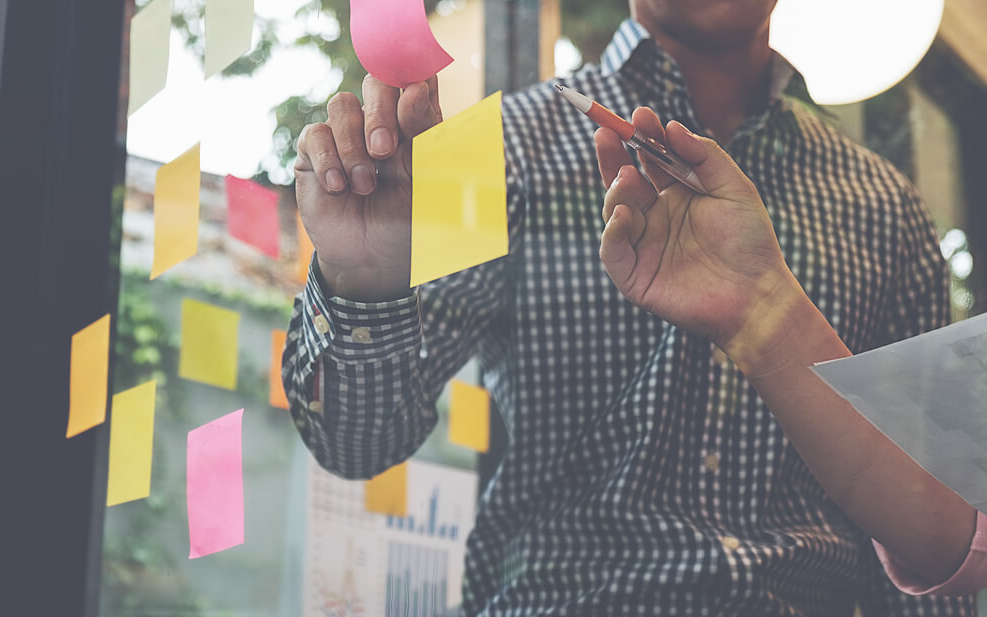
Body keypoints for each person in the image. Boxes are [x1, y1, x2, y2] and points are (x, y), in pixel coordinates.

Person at [283, 0, 978, 613]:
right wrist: (363, 287)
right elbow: (355, 441)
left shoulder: (885, 207)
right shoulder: (499, 147)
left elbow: (930, 539)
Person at [594, 110, 987, 597]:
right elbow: (961, 536)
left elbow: (956, 539)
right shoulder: (515, 143)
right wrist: (762, 309)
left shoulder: (881, 198)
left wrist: (763, 309)